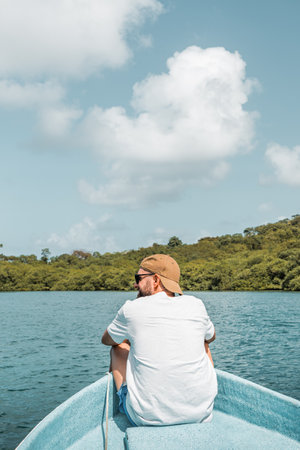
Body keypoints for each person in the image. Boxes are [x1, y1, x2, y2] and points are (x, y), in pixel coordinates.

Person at [101, 254, 217, 426]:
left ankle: (120, 402)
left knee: (118, 347)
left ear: (155, 280)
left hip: (145, 418)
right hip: (202, 414)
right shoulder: (196, 304)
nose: (135, 284)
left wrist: (130, 340)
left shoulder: (131, 308)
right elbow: (211, 337)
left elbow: (107, 340)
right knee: (203, 342)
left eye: (138, 278)